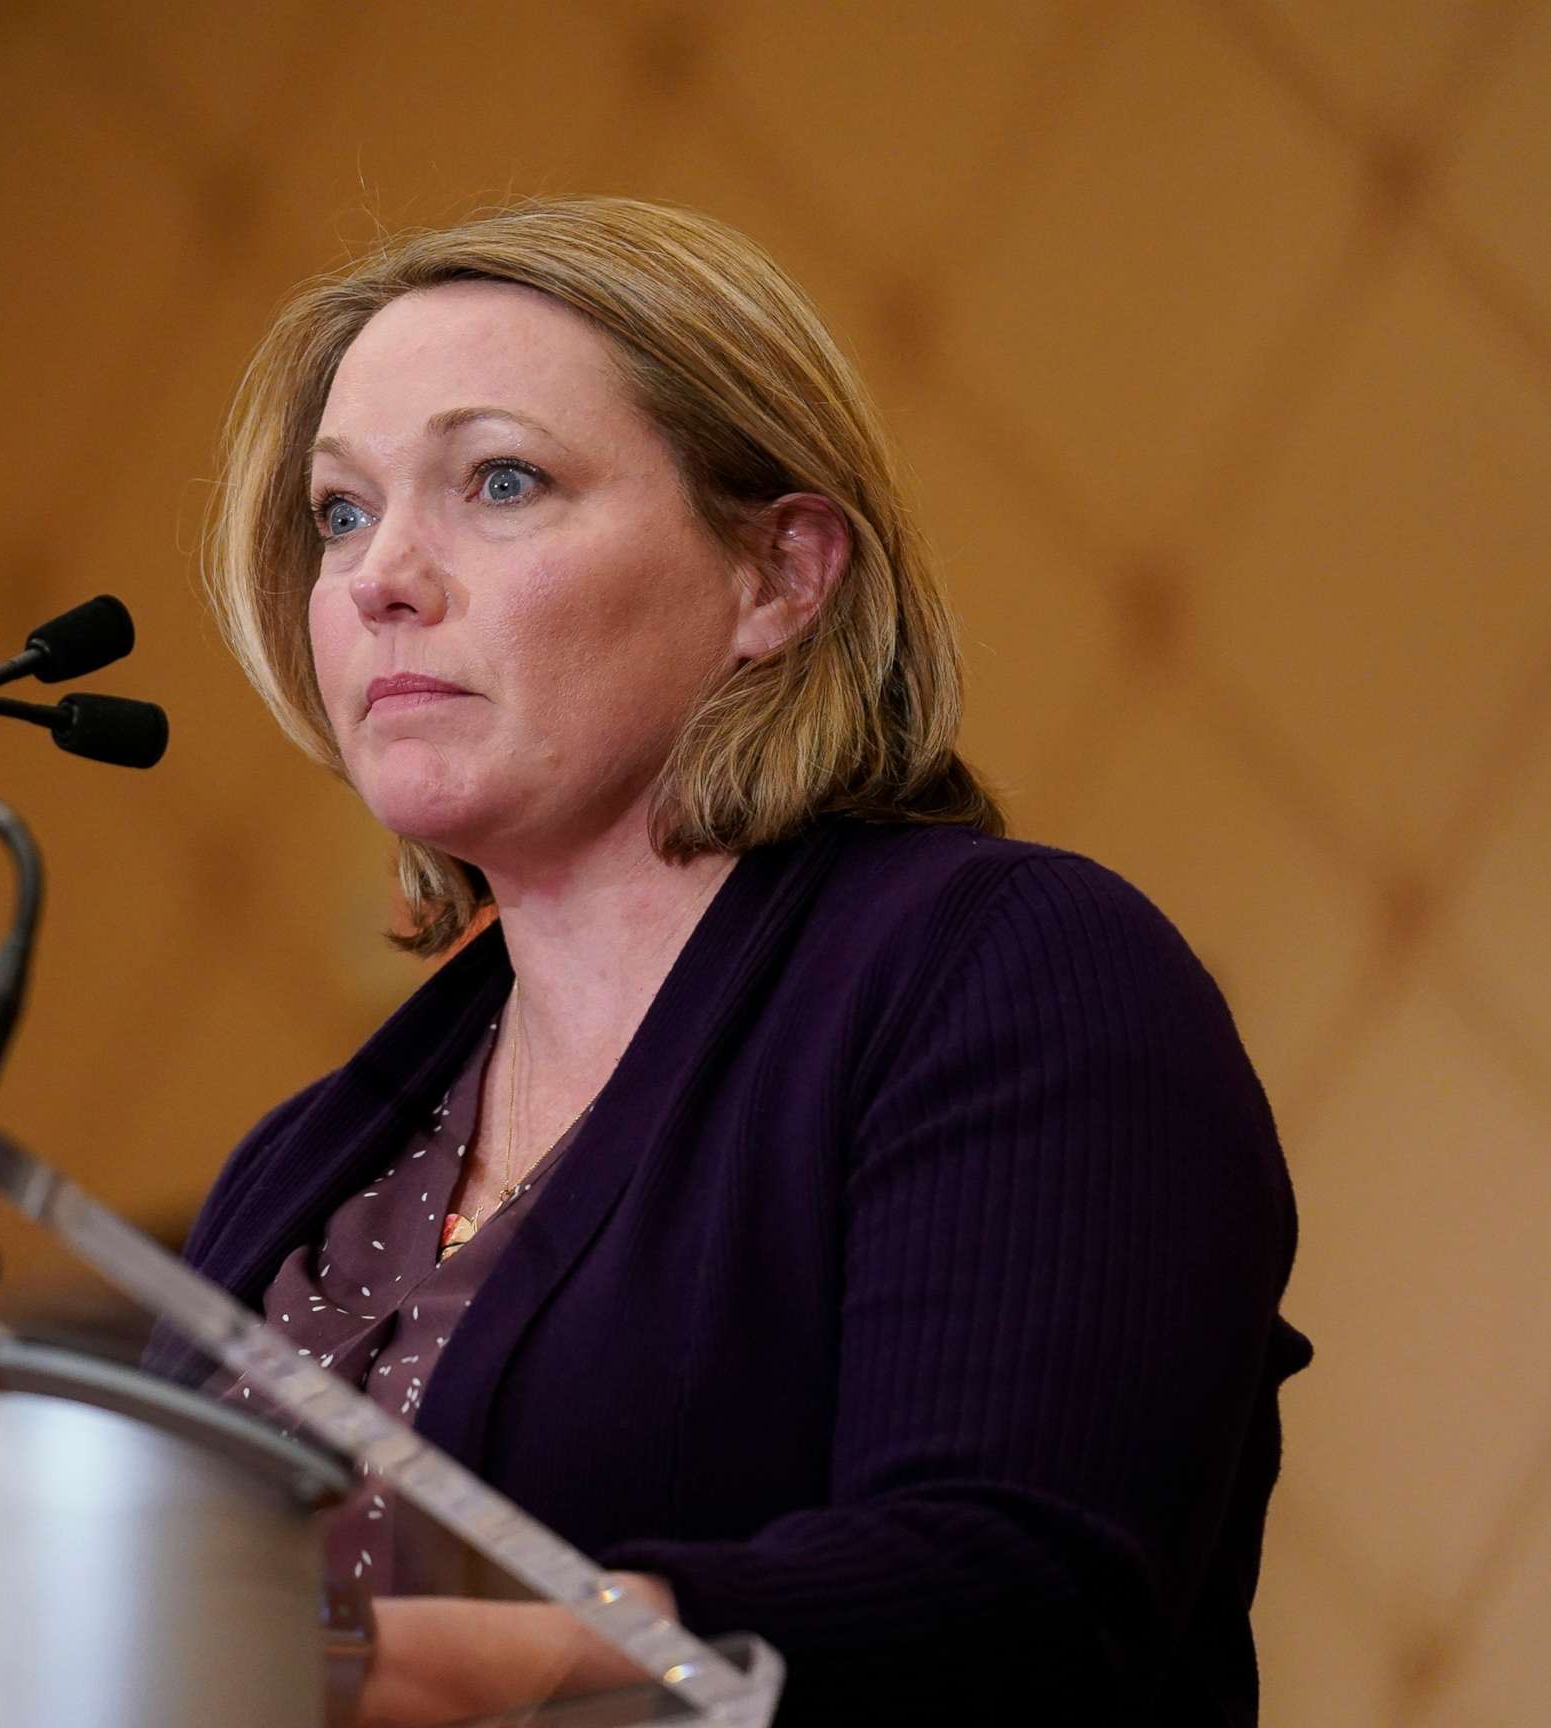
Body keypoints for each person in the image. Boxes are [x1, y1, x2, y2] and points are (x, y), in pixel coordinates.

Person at [184, 196, 1310, 1726]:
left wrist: (557, 1658)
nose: (382, 574)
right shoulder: (311, 1160)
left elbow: (1024, 1598)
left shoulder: (1005, 973)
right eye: (341, 513)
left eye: (499, 480)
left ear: (780, 574)